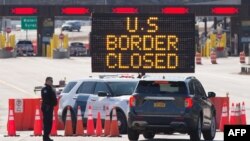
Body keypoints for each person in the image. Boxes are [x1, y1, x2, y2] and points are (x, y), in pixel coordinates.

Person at [41, 77, 57, 141]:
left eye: (52, 81)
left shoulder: (51, 88)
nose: (51, 82)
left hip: (50, 107)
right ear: (47, 81)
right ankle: (45, 137)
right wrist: (52, 103)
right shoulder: (45, 89)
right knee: (47, 122)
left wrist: (55, 102)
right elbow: (46, 99)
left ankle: (47, 136)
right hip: (47, 107)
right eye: (50, 81)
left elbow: (53, 97)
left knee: (50, 122)